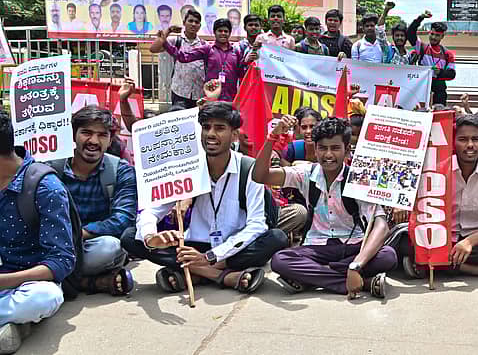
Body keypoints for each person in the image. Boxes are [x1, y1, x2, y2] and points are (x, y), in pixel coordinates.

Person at [121, 102, 288, 295]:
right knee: (131, 236)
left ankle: (194, 271)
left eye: (219, 128)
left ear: (234, 135)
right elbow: (153, 209)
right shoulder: (187, 166)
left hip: (232, 247)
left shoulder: (249, 169)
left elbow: (256, 225)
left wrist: (210, 257)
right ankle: (222, 276)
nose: (210, 134)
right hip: (195, 245)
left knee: (276, 238)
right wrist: (152, 237)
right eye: (206, 127)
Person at [258, 117, 395, 298]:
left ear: (347, 151)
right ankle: (361, 282)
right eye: (322, 148)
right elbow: (260, 176)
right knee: (280, 260)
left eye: (335, 148)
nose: (328, 154)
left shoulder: (359, 178)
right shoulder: (305, 174)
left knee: (388, 255)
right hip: (317, 247)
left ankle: (317, 275)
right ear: (315, 149)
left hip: (353, 245)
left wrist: (356, 264)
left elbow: (381, 226)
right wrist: (271, 138)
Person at [399, 115, 478, 278]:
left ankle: (440, 265)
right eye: (463, 139)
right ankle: (470, 268)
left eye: (475, 139)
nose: (470, 145)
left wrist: (469, 242)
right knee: (405, 241)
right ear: (453, 142)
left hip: (477, 241)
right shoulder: (437, 169)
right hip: (440, 239)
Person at [0, 109, 76, 355]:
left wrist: (3, 282)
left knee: (44, 298)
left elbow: (61, 261)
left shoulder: (45, 188)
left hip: (28, 283)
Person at [48, 106, 136, 297]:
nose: (93, 141)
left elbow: (123, 219)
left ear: (110, 140)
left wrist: (77, 234)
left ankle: (61, 279)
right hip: (52, 244)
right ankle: (86, 282)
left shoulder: (121, 171)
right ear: (73, 135)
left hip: (89, 245)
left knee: (111, 248)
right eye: (86, 133)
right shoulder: (52, 168)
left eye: (101, 135)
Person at [162, 18, 248, 102]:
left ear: (230, 33)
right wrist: (165, 43)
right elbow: (184, 57)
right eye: (220, 31)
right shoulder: (208, 49)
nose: (223, 33)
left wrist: (246, 62)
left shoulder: (236, 51)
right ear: (214, 32)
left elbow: (241, 74)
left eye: (226, 31)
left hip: (230, 98)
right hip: (211, 98)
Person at [150, 9, 206, 108]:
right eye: (190, 21)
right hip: (180, 92)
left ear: (199, 26)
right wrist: (168, 30)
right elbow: (153, 49)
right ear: (184, 23)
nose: (193, 24)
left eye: (196, 22)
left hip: (199, 93)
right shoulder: (176, 40)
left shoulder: (203, 44)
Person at [407, 20, 456, 105]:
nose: (433, 37)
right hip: (422, 87)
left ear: (442, 36)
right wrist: (420, 18)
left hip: (439, 89)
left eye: (437, 35)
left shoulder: (448, 54)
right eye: (432, 34)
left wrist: (440, 72)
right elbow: (410, 33)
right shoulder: (422, 47)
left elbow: (452, 74)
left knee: (438, 114)